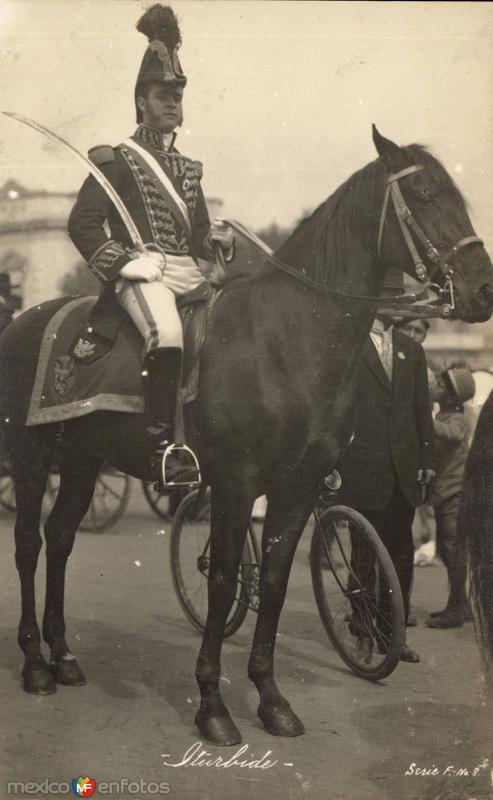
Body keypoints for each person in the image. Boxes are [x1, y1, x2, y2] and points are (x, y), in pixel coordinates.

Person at [68, 4, 233, 485]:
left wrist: (216, 239)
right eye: (163, 95)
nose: (172, 104)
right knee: (168, 333)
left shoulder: (188, 168)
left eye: (178, 96)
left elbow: (196, 234)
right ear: (141, 101)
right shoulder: (116, 160)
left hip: (187, 272)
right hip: (144, 272)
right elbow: (83, 223)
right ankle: (164, 445)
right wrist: (121, 264)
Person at [336, 270, 435, 663]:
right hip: (362, 468)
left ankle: (392, 634)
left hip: (403, 472)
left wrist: (427, 460)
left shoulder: (412, 350)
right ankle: (362, 630)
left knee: (401, 553)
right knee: (363, 556)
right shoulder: (349, 346)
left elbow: (421, 412)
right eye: (394, 297)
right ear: (373, 301)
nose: (402, 303)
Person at [425, 363, 475, 628]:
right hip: (445, 494)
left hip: (453, 495)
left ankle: (456, 608)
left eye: (442, 385)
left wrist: (425, 418)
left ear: (452, 397)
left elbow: (453, 434)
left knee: (452, 551)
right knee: (449, 550)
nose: (436, 386)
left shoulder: (455, 419)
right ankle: (462, 604)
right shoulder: (445, 415)